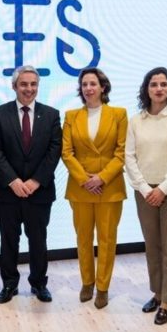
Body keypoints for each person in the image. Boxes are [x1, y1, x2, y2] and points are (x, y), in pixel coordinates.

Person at [125, 67, 167, 325]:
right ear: (146, 89)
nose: (159, 89)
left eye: (164, 84)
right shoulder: (136, 120)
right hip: (144, 192)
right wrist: (145, 189)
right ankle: (156, 293)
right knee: (152, 245)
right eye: (153, 84)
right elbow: (129, 157)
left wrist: (163, 188)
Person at [0, 65, 61, 304]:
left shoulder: (51, 114)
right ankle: (9, 284)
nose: (29, 89)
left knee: (38, 241)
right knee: (9, 241)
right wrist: (13, 181)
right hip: (7, 193)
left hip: (39, 192)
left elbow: (54, 151)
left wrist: (36, 180)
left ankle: (39, 284)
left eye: (33, 84)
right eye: (24, 84)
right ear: (14, 86)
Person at [61, 67, 127, 309]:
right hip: (81, 189)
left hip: (109, 187)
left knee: (107, 240)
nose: (88, 88)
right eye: (84, 84)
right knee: (83, 238)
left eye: (93, 84)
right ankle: (87, 282)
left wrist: (101, 178)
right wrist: (84, 179)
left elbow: (122, 152)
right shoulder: (71, 116)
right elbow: (67, 153)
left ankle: (103, 287)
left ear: (103, 87)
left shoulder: (119, 114)